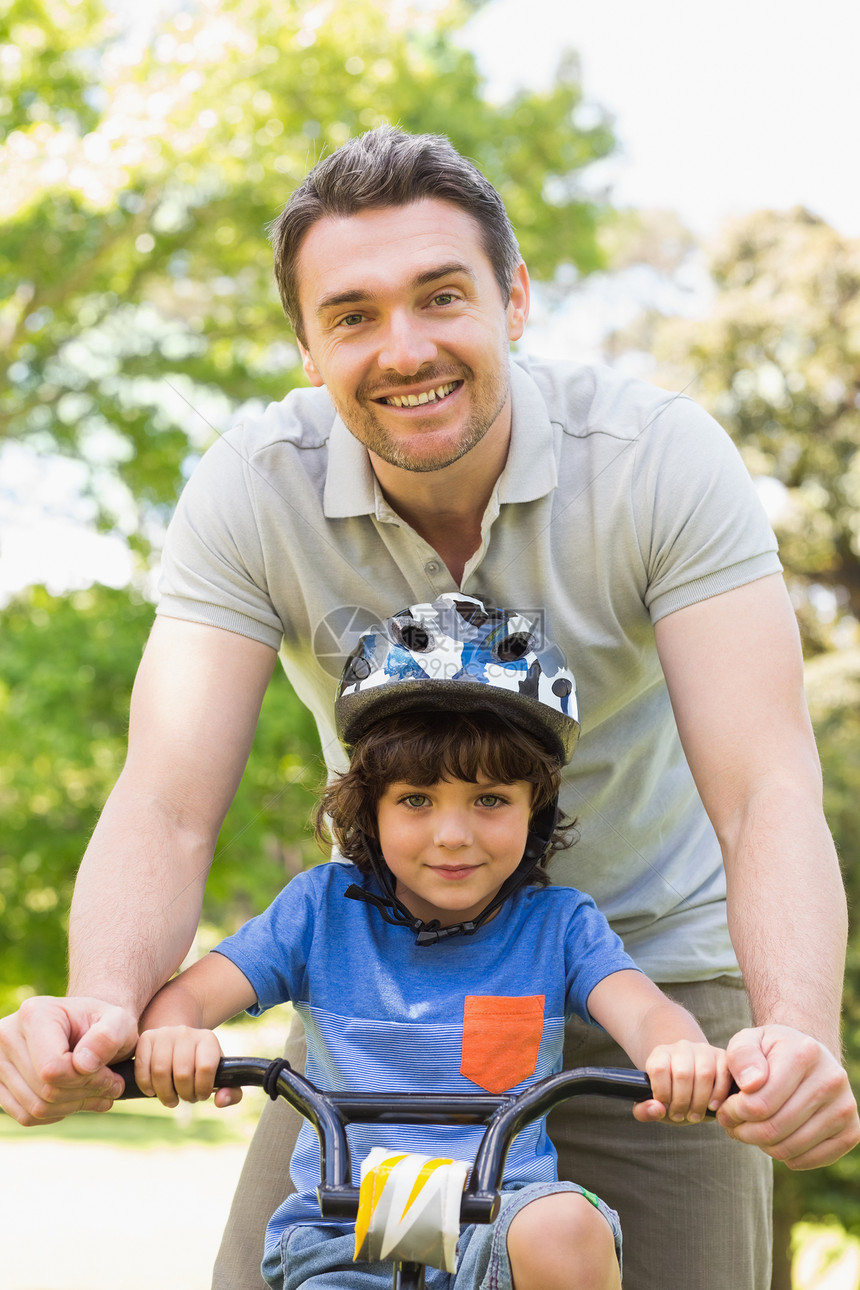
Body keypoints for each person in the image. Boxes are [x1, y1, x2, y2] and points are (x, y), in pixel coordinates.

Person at [0, 125, 856, 1289]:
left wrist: (791, 1031)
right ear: (306, 346)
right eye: (351, 314)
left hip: (648, 984)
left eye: (440, 296)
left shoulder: (657, 462)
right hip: (382, 994)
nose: (403, 349)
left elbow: (762, 792)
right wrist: (106, 1010)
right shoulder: (254, 490)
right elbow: (164, 799)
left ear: (512, 298)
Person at [132, 594, 733, 1290]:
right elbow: (187, 1001)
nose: (453, 835)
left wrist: (679, 1053)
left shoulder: (559, 925)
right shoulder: (319, 911)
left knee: (567, 1227)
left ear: (533, 809)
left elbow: (647, 1014)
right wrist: (175, 1036)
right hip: (344, 1233)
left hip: (499, 1230)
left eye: (490, 800)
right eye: (416, 800)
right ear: (370, 808)